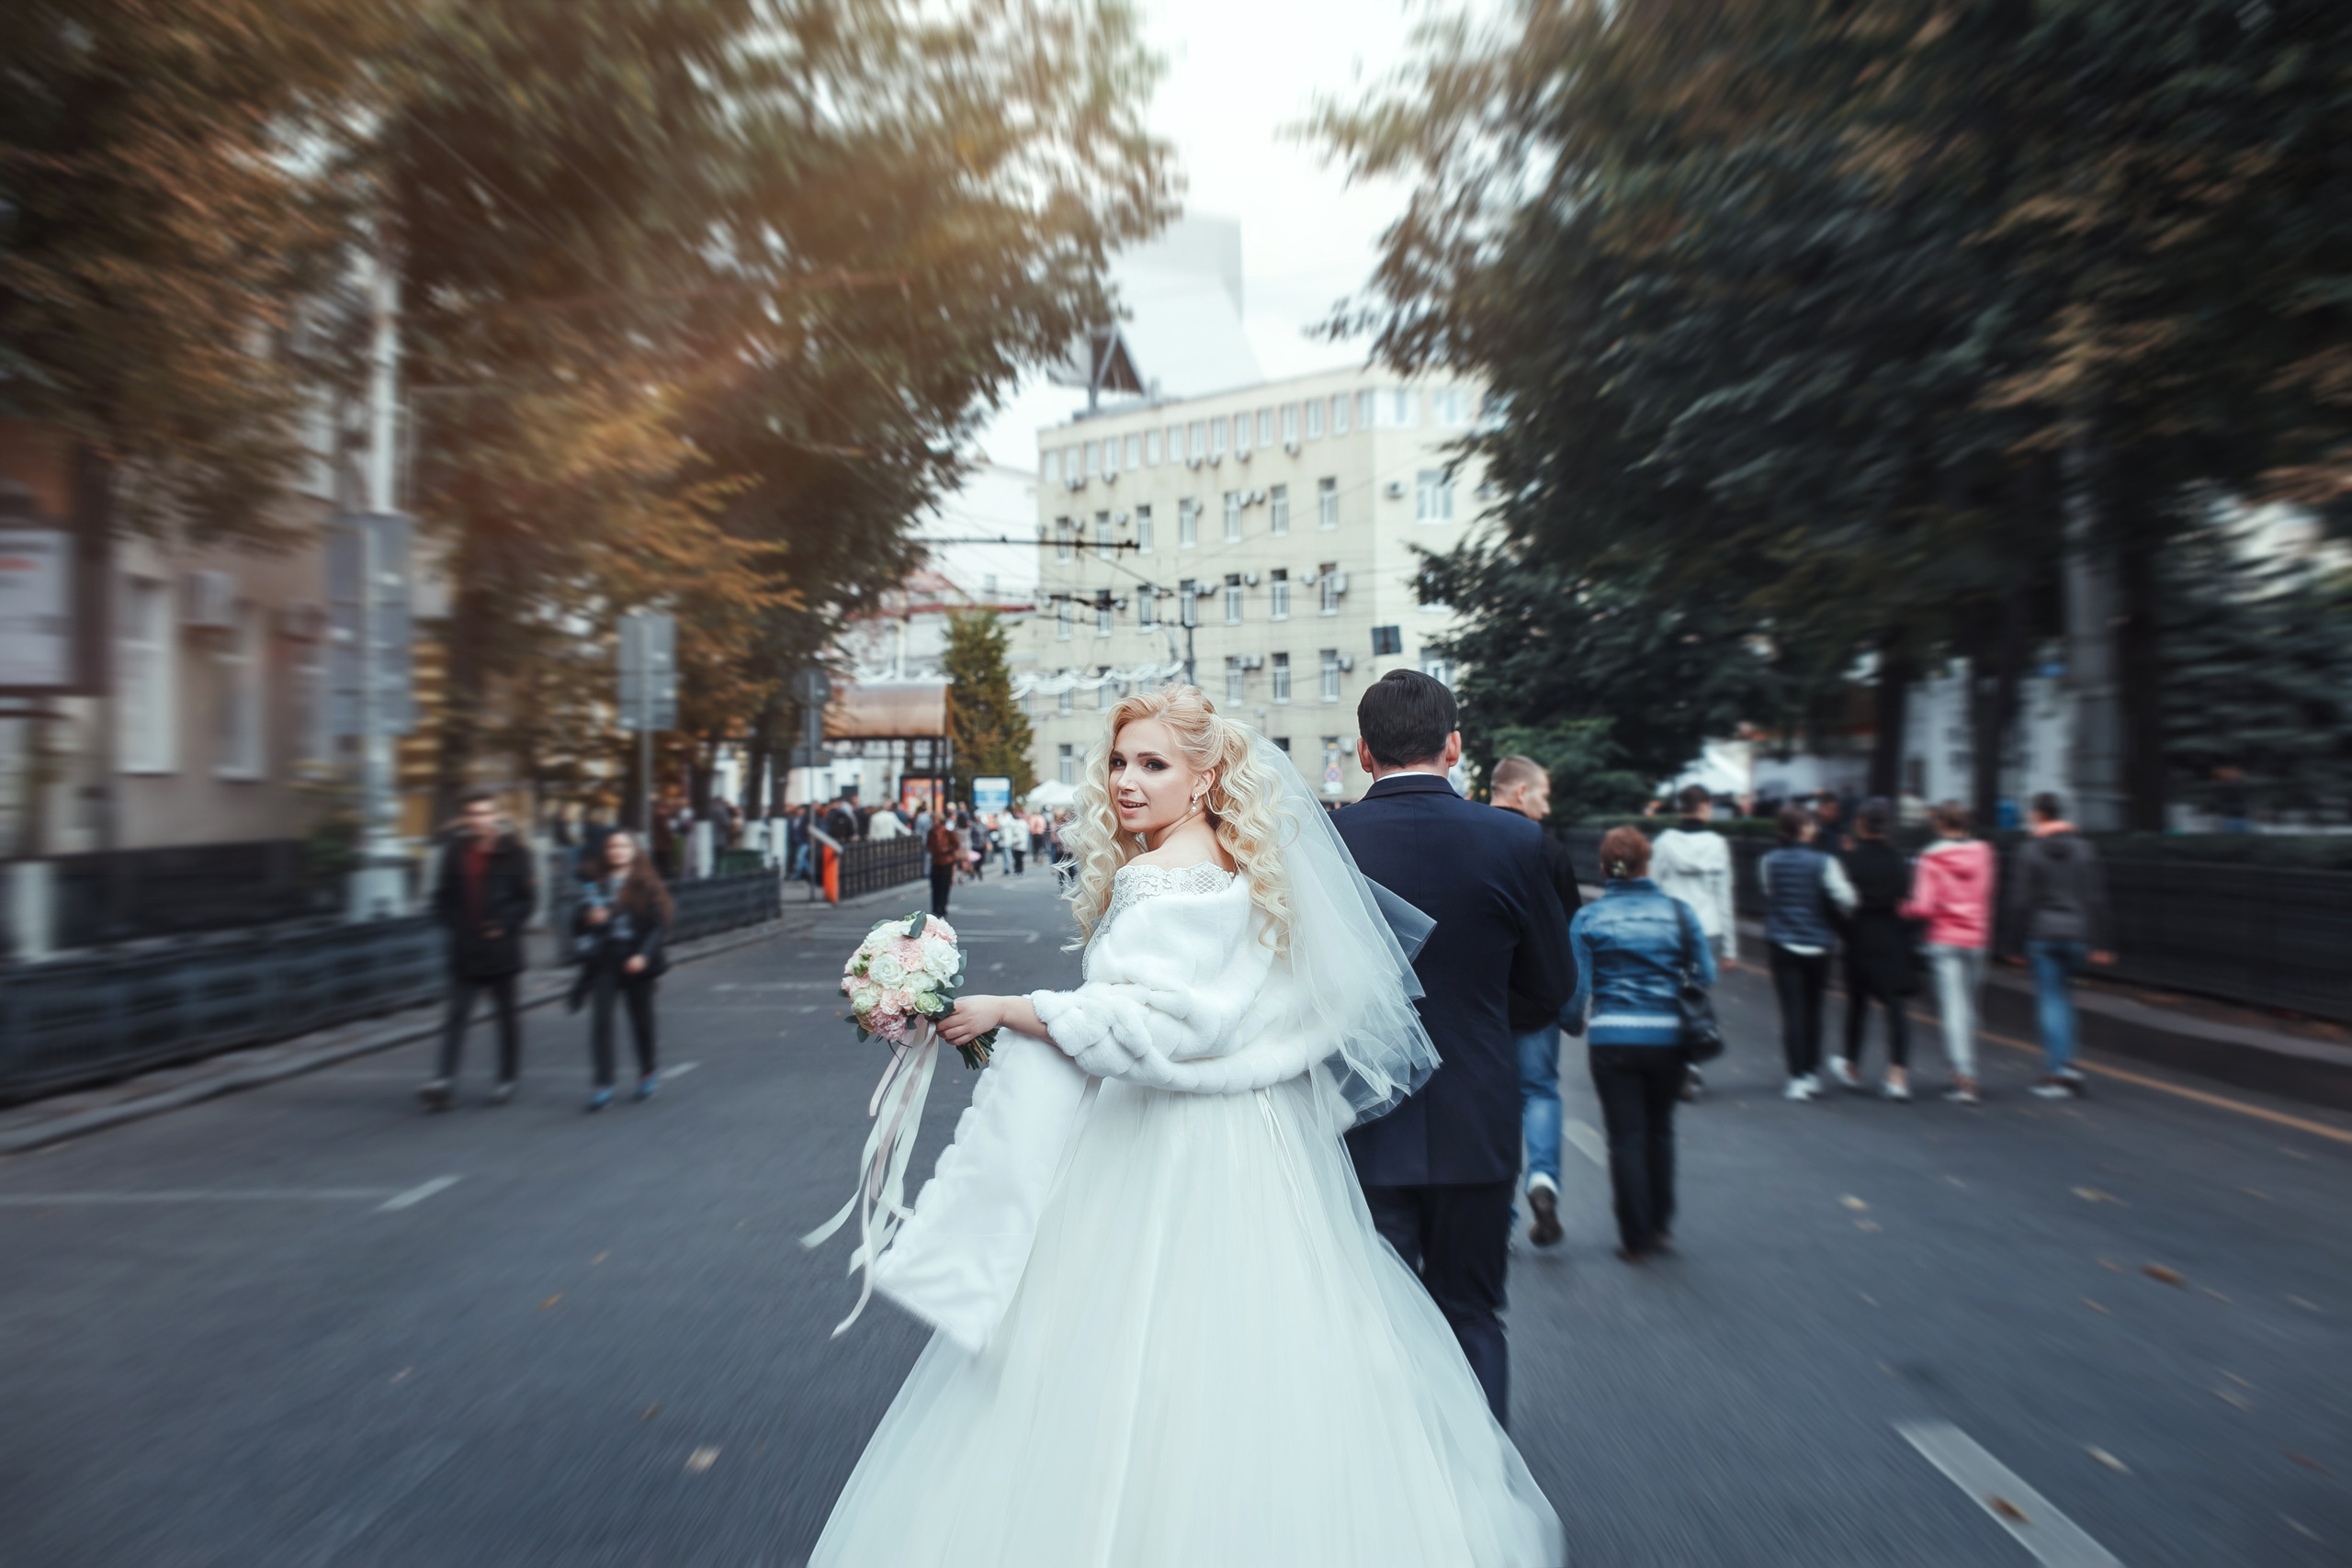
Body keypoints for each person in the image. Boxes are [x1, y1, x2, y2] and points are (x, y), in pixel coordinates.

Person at [810, 685, 1559, 1566]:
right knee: (1279, 1352)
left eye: (1153, 764)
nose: (1127, 782)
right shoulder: (1238, 868)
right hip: (1258, 1144)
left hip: (1165, 1147)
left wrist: (1008, 1007)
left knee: (1120, 1352)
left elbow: (1159, 1029)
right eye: (1121, 761)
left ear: (1205, 779)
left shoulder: (1161, 876)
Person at [1332, 671, 1574, 1426]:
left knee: (1376, 1320)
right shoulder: (1516, 839)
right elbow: (1552, 985)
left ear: (1364, 753)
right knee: (1473, 1313)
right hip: (1478, 1110)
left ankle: (1399, 1499)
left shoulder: (1325, 842)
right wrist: (1483, 1020)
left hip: (1360, 1115)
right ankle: (1484, 1496)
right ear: (1455, 746)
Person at [1562, 825, 1716, 1261]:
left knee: (1626, 1135)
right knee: (1660, 1128)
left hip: (1612, 1038)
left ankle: (1634, 1238)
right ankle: (1661, 1224)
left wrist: (1573, 1023)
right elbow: (1704, 974)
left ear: (1605, 867)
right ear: (1649, 864)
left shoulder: (1590, 918)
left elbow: (1577, 990)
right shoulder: (1680, 914)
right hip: (1669, 1037)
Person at [1487, 752, 1583, 1247]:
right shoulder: (1548, 848)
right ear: (1521, 793)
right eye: (1543, 796)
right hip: (1537, 1000)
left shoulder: (1475, 837)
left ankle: (1497, 1216)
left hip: (1483, 1001)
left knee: (1491, 1105)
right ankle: (1544, 1181)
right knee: (1539, 1091)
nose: (1546, 809)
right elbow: (1571, 930)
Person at [419, 790, 538, 1111]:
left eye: (485, 813)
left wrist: (505, 923)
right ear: (465, 818)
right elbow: (442, 897)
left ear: (496, 816)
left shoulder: (516, 852)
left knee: (506, 1018)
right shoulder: (455, 851)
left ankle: (507, 1079)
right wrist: (453, 926)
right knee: (456, 1016)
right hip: (465, 950)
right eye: (472, 814)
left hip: (501, 950)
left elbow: (527, 901)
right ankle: (443, 1082)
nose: (479, 820)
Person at [2006, 791, 2114, 1099]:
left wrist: (2013, 944)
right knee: (2066, 999)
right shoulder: (2085, 850)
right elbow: (2096, 897)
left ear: (2039, 815)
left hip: (2043, 935)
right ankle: (2068, 1063)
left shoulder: (2028, 851)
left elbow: (2019, 900)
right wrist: (2102, 941)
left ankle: (2056, 1072)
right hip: (2078, 934)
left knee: (2050, 1000)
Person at [1760, 806, 1857, 1100]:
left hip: (1782, 943)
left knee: (1792, 1011)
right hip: (1817, 944)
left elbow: (1769, 892)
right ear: (1803, 829)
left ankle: (1797, 1075)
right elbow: (1847, 898)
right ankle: (1812, 1072)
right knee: (1814, 1010)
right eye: (1811, 824)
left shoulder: (1769, 861)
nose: (1815, 827)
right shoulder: (1825, 862)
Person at [1904, 800, 1996, 1105]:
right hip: (1977, 937)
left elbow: (1923, 906)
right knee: (1969, 1007)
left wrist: (1902, 908)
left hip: (1944, 939)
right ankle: (1964, 1067)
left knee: (1954, 1009)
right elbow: (1985, 894)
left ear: (1940, 824)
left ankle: (1964, 1075)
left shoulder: (1929, 858)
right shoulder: (1985, 853)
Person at [1651, 784, 1737, 1101]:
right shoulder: (1718, 845)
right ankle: (1693, 1067)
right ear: (1704, 807)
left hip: (1672, 927)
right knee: (1697, 997)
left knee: (1672, 996)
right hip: (1708, 929)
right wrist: (1730, 947)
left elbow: (1655, 888)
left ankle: (1675, 1064)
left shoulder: (1664, 844)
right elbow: (1723, 896)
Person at [1826, 798, 1918, 1099]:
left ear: (1860, 825)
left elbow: (1835, 904)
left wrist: (1846, 933)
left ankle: (1852, 1066)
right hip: (1891, 937)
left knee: (1856, 1005)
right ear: (1889, 826)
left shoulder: (1848, 860)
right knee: (1896, 1008)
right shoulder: (1898, 860)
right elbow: (1908, 899)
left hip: (1859, 938)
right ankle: (1898, 1076)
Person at [573, 829, 669, 1111]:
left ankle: (647, 1071)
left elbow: (658, 925)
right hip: (605, 959)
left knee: (641, 1021)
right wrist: (588, 919)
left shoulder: (645, 883)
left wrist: (643, 955)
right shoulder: (596, 884)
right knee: (601, 1021)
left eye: (623, 846)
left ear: (633, 851)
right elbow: (577, 924)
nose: (617, 851)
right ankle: (603, 1083)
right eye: (612, 846)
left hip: (635, 959)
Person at [924, 810, 961, 919]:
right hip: (936, 861)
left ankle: (942, 907)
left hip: (946, 861)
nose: (933, 822)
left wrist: (947, 849)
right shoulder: (931, 832)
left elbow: (955, 844)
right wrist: (933, 849)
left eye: (935, 820)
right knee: (935, 885)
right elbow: (929, 845)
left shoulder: (947, 832)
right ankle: (935, 907)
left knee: (944, 885)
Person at [1003, 807, 1030, 874]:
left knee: (1020, 858)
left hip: (1021, 843)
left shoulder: (1023, 823)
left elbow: (1025, 833)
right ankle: (1017, 869)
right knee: (1016, 858)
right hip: (1015, 843)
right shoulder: (1014, 822)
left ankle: (1020, 869)